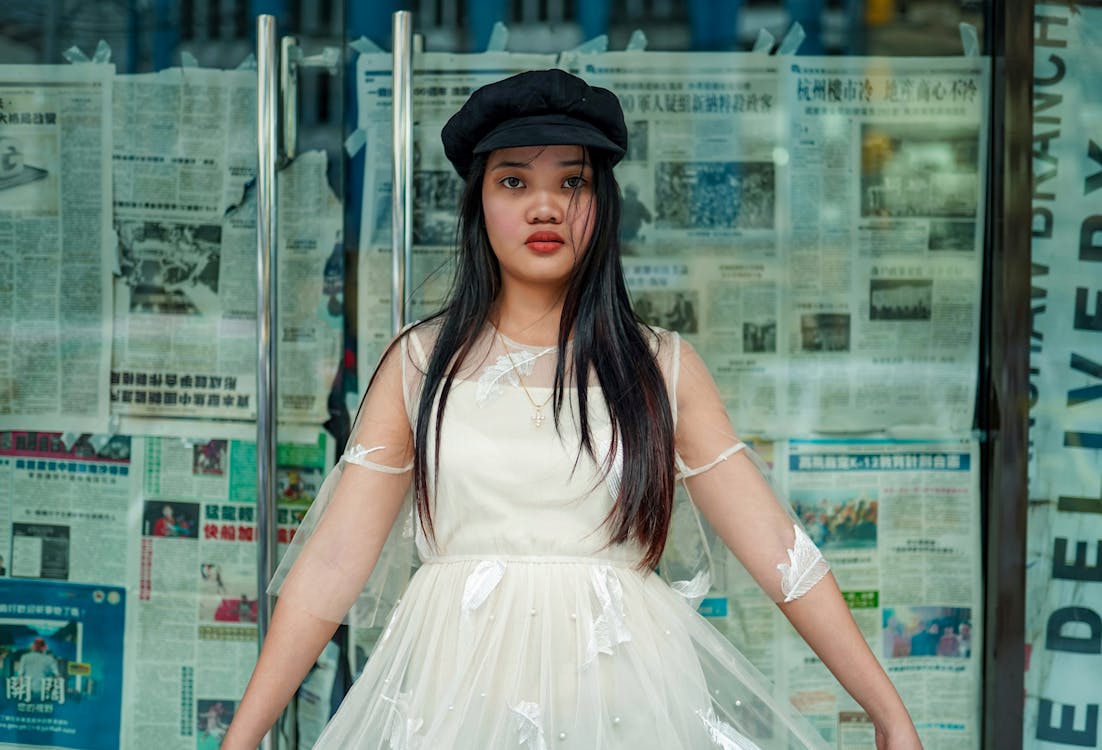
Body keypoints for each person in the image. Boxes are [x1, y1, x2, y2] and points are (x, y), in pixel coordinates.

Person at [222, 70, 921, 749]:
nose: (545, 206)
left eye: (573, 181)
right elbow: (332, 563)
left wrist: (887, 713)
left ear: (603, 202)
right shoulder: (419, 364)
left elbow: (780, 551)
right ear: (479, 203)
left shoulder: (662, 367)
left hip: (628, 708)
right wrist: (242, 738)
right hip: (456, 705)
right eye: (514, 181)